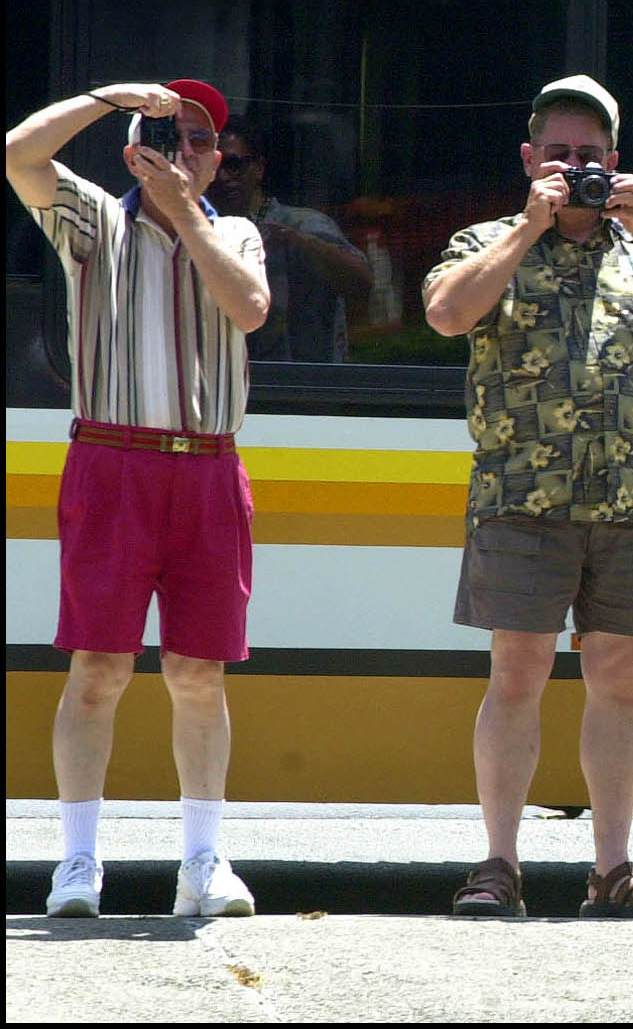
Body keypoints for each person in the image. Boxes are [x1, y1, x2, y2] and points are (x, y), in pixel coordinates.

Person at [423, 75, 633, 918]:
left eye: (589, 155)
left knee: (618, 679)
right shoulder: (487, 239)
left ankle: (612, 870)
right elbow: (448, 315)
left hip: (632, 505)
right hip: (521, 499)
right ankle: (497, 865)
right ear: (528, 159)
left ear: (616, 163)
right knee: (516, 675)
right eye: (558, 154)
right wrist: (528, 225)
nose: (574, 168)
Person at [5, 79, 270, 918]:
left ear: (220, 157)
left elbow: (251, 308)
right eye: (170, 137)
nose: (186, 151)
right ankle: (76, 863)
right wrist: (98, 96)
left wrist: (186, 210)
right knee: (98, 669)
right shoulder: (96, 221)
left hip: (207, 468)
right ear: (133, 149)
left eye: (200, 141)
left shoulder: (238, 232)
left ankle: (203, 862)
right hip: (112, 462)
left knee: (199, 672)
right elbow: (17, 155)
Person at [208, 115, 372, 362]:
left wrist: (301, 244)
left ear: (258, 168)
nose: (223, 177)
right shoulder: (197, 235)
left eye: (234, 165)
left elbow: (362, 284)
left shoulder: (303, 225)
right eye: (213, 167)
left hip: (301, 385)